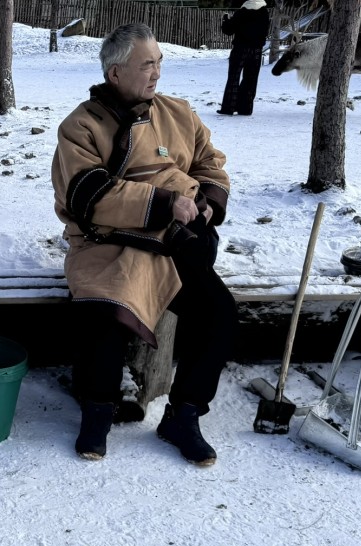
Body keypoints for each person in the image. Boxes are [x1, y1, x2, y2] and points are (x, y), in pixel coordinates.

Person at [51, 23, 236, 466]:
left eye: (159, 62)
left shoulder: (178, 113)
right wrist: (167, 202)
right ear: (115, 73)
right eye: (146, 64)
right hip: (105, 242)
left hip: (172, 248)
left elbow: (211, 165)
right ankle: (97, 412)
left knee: (217, 312)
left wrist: (207, 203)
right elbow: (86, 196)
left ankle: (184, 415)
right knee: (108, 308)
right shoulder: (82, 125)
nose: (157, 73)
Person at [218, 0, 270, 116]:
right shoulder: (264, 12)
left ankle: (229, 108)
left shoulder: (242, 12)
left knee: (233, 78)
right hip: (256, 50)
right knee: (251, 79)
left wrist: (225, 20)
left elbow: (228, 30)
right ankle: (245, 108)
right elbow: (265, 31)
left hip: (240, 49)